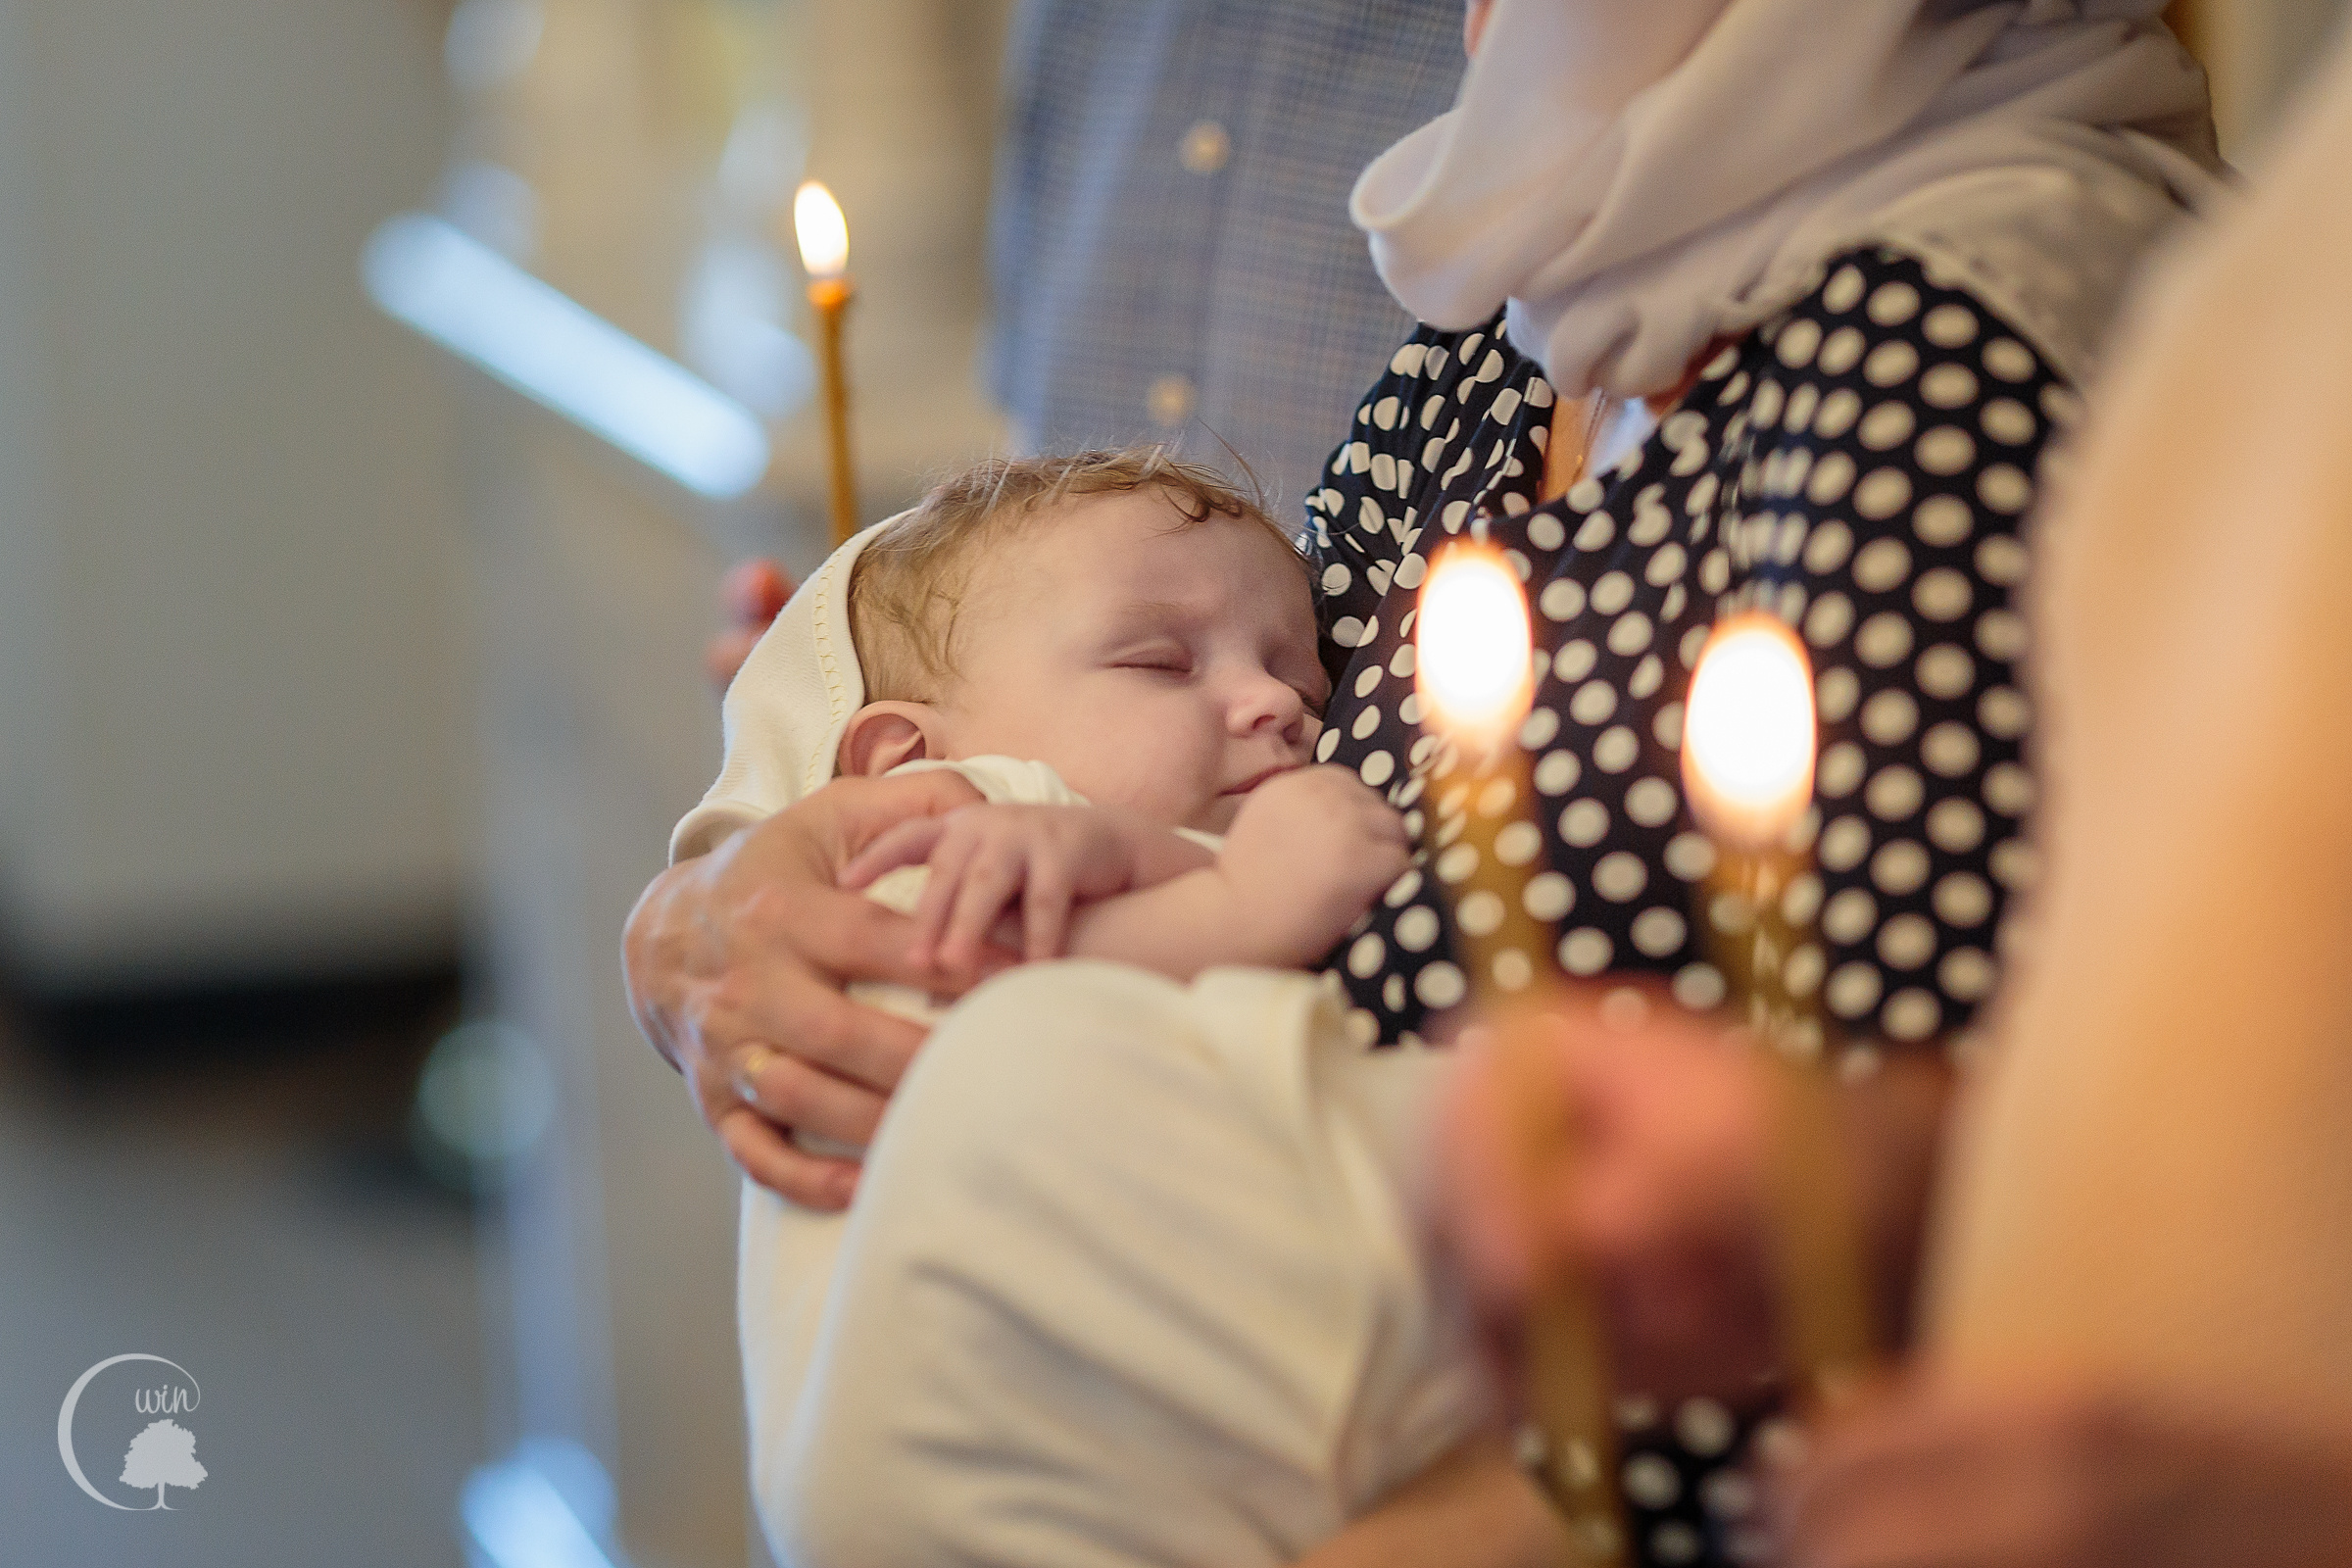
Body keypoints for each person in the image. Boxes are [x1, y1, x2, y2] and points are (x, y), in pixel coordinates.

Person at [627, 3, 2221, 1562]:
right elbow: (1138, 716)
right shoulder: (1509, 331)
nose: (1470, 26)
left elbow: (1935, 1244)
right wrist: (748, 862)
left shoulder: (1941, 363)